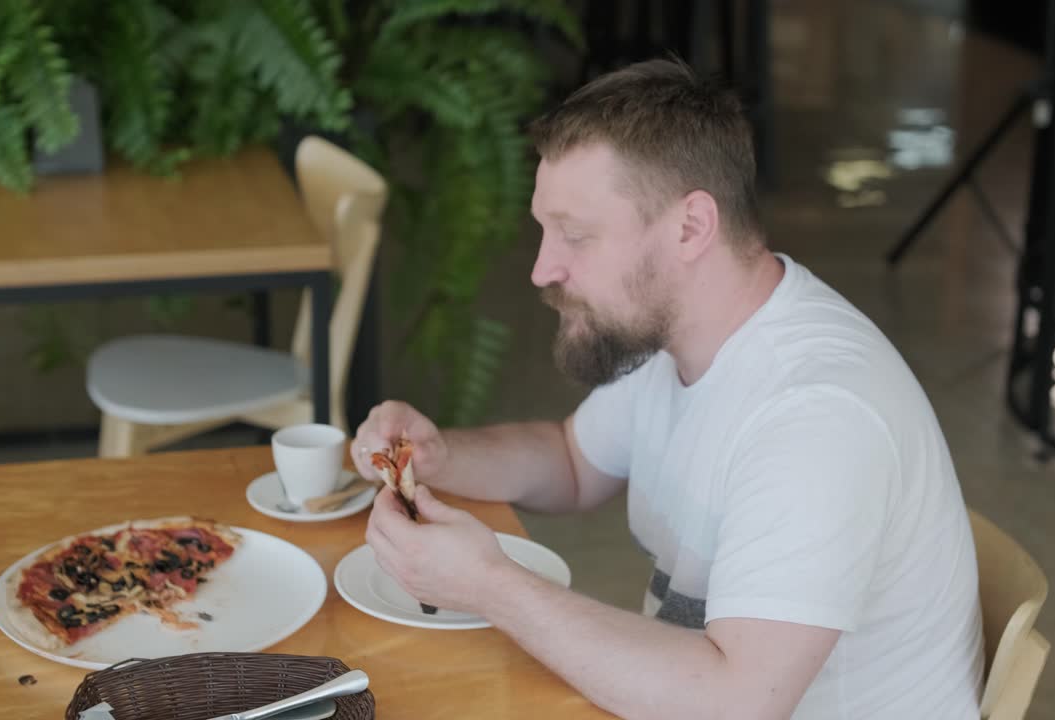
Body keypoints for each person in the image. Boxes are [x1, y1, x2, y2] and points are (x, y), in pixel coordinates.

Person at [351, 58, 984, 719]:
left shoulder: (815, 417)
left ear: (690, 227)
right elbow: (571, 463)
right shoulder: (676, 336)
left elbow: (737, 705)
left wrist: (491, 586)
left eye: (575, 235)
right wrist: (438, 456)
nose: (542, 269)